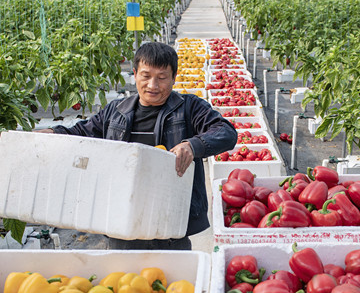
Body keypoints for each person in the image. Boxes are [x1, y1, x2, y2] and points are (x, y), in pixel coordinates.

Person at [37, 42, 237, 250]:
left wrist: (193, 144)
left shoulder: (189, 108)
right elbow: (82, 132)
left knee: (174, 279)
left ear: (174, 78)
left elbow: (226, 132)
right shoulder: (115, 111)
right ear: (134, 74)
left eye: (162, 77)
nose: (153, 85)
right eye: (146, 76)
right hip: (122, 221)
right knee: (124, 280)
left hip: (169, 224)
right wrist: (53, 133)